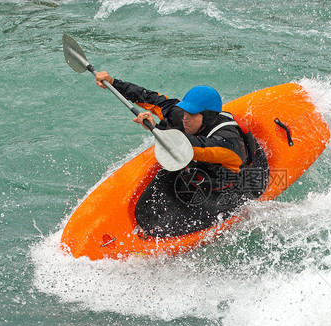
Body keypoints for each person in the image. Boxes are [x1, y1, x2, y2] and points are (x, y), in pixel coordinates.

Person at [95, 72, 269, 237]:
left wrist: (156, 127)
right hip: (204, 173)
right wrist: (114, 83)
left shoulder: (228, 143)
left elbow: (191, 147)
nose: (185, 118)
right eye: (185, 112)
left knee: (168, 225)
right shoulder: (190, 117)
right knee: (166, 173)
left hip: (233, 190)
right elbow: (152, 99)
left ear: (207, 117)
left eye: (191, 115)